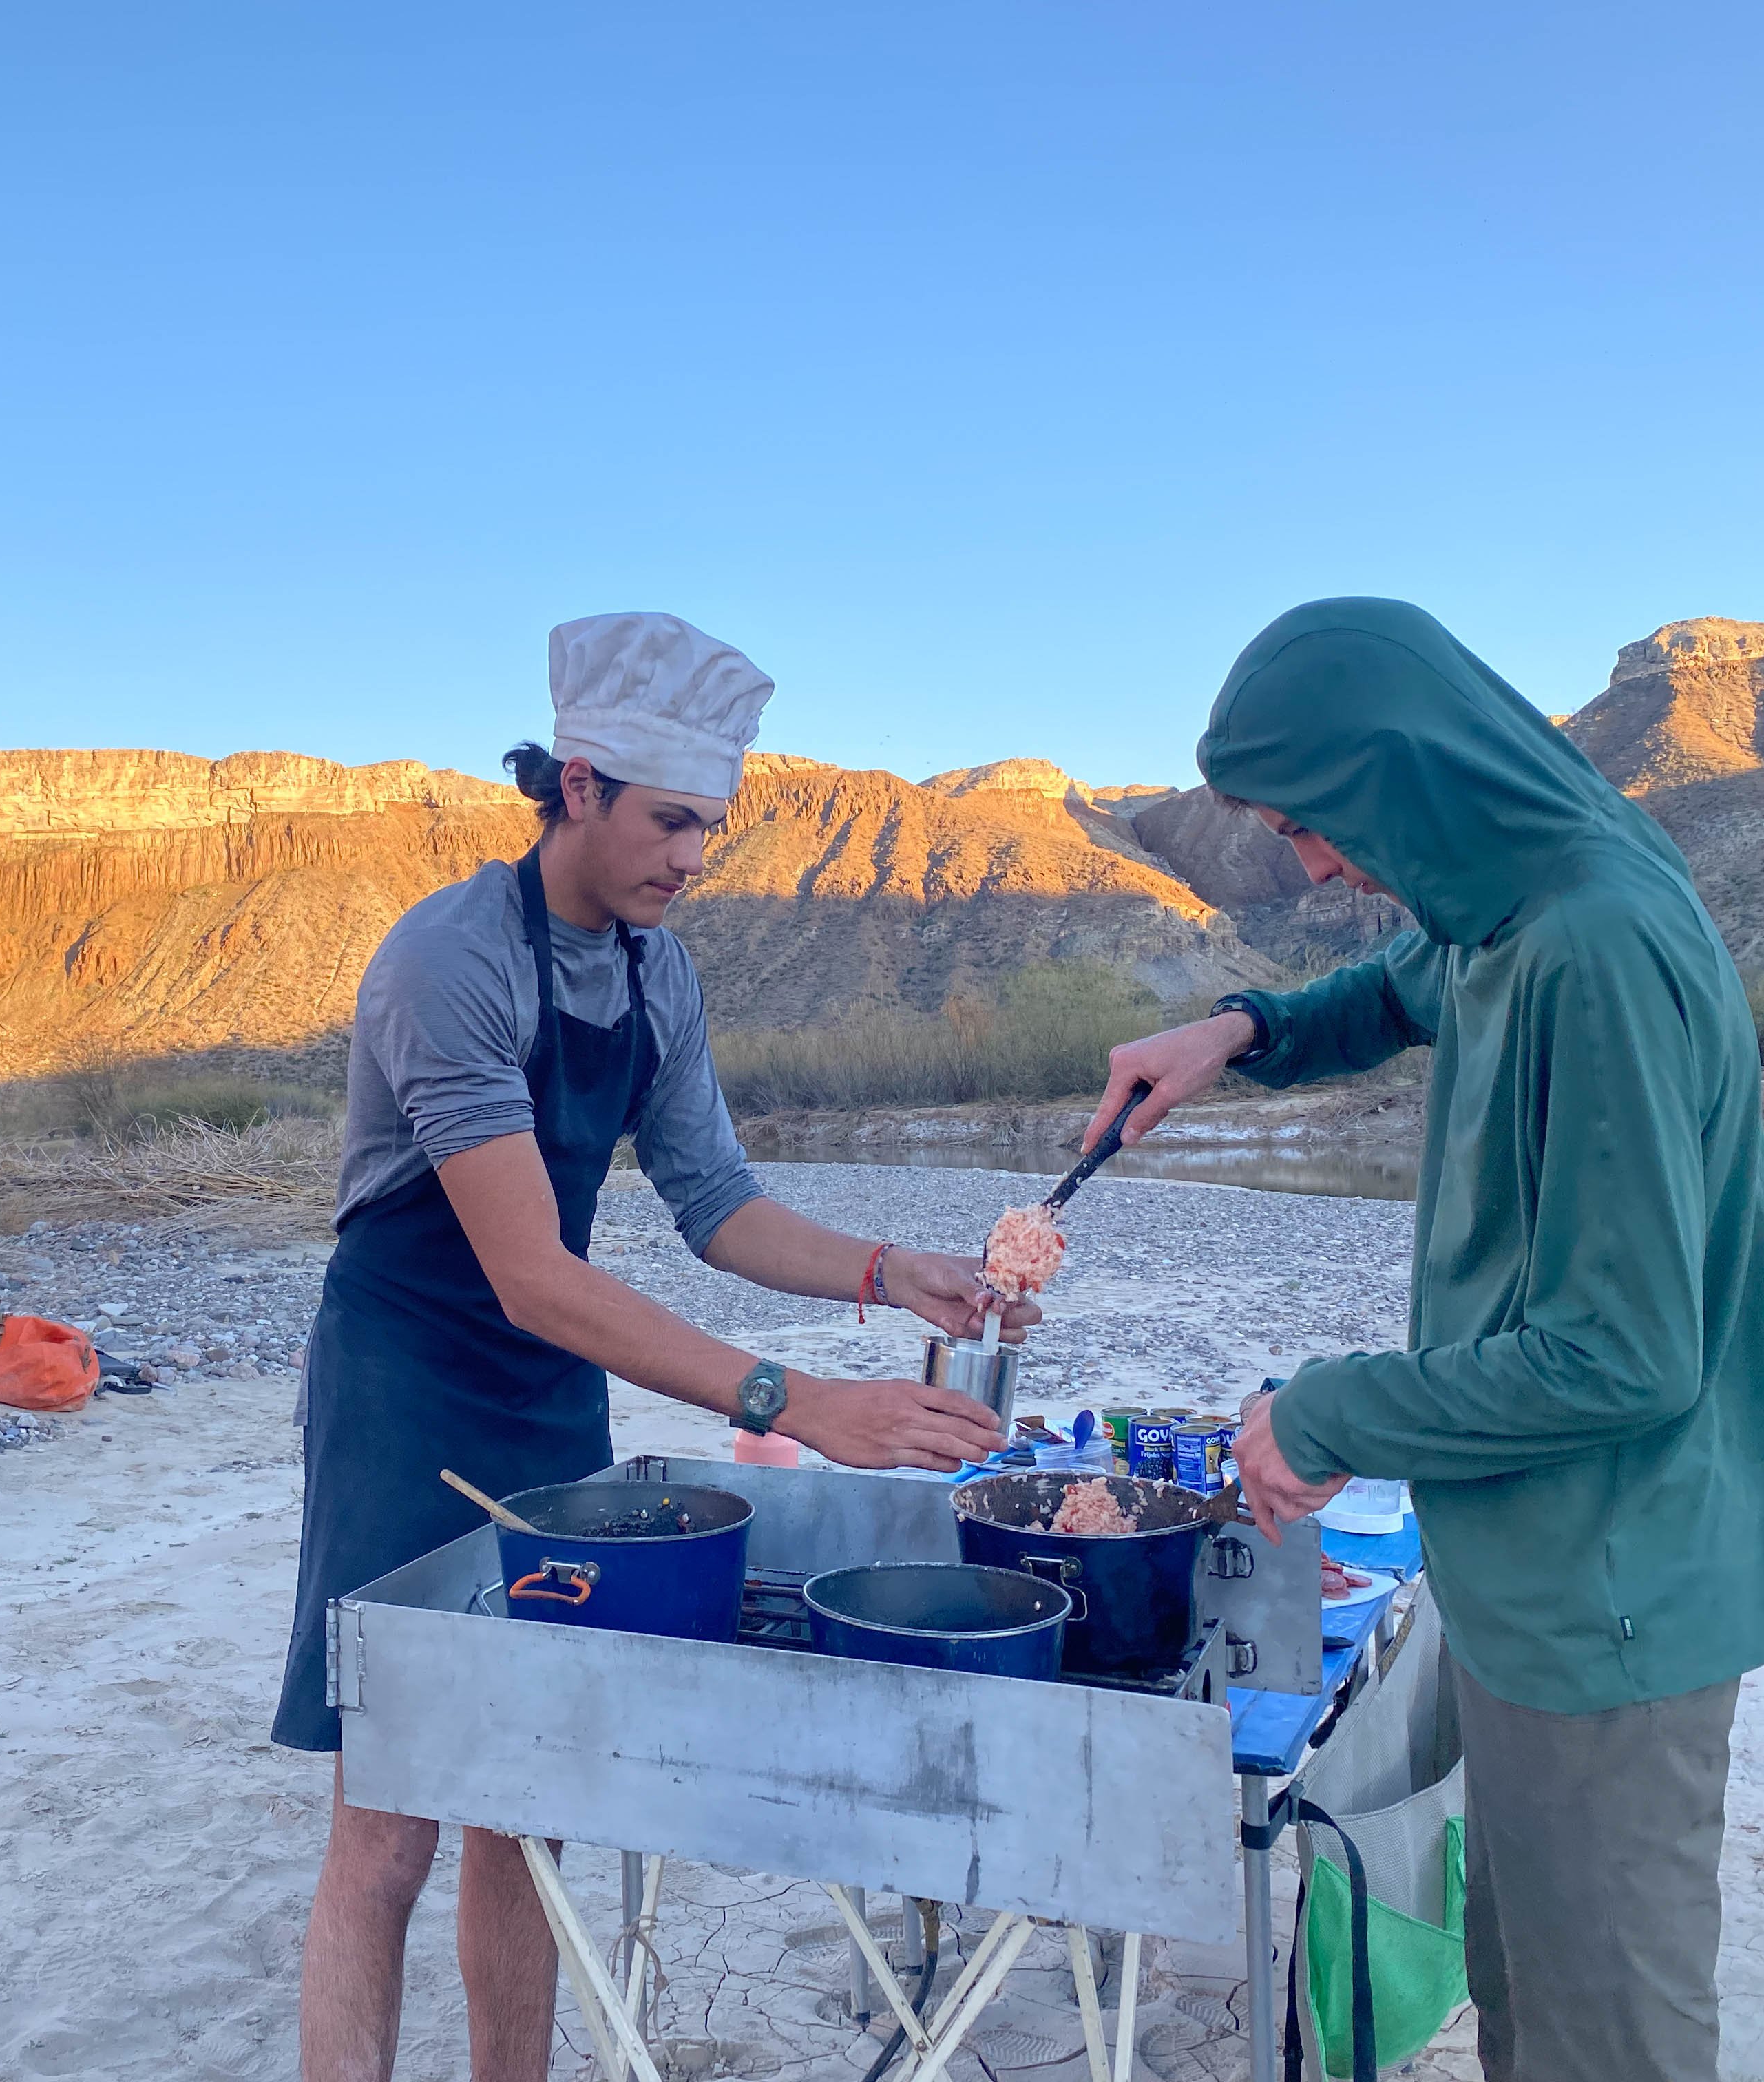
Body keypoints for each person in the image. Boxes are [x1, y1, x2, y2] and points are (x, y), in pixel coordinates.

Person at [1086, 598, 1764, 2082]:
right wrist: (1236, 1030)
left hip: (1620, 1594)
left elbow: (1625, 1356)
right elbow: (1396, 991)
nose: (1310, 863)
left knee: (1604, 2030)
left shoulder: (1596, 946)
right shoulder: (1508, 910)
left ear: (1401, 776)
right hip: (1542, 1574)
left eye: (1312, 823)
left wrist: (1327, 1415)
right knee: (1525, 1982)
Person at [275, 610, 1025, 2082]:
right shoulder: (450, 963)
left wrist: (895, 1273)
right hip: (408, 1375)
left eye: (714, 830)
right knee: (390, 1816)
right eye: (673, 821)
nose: (694, 858)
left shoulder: (655, 974)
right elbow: (533, 1273)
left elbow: (717, 1203)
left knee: (530, 1800)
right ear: (580, 781)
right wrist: (793, 1401)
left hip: (545, 1389)